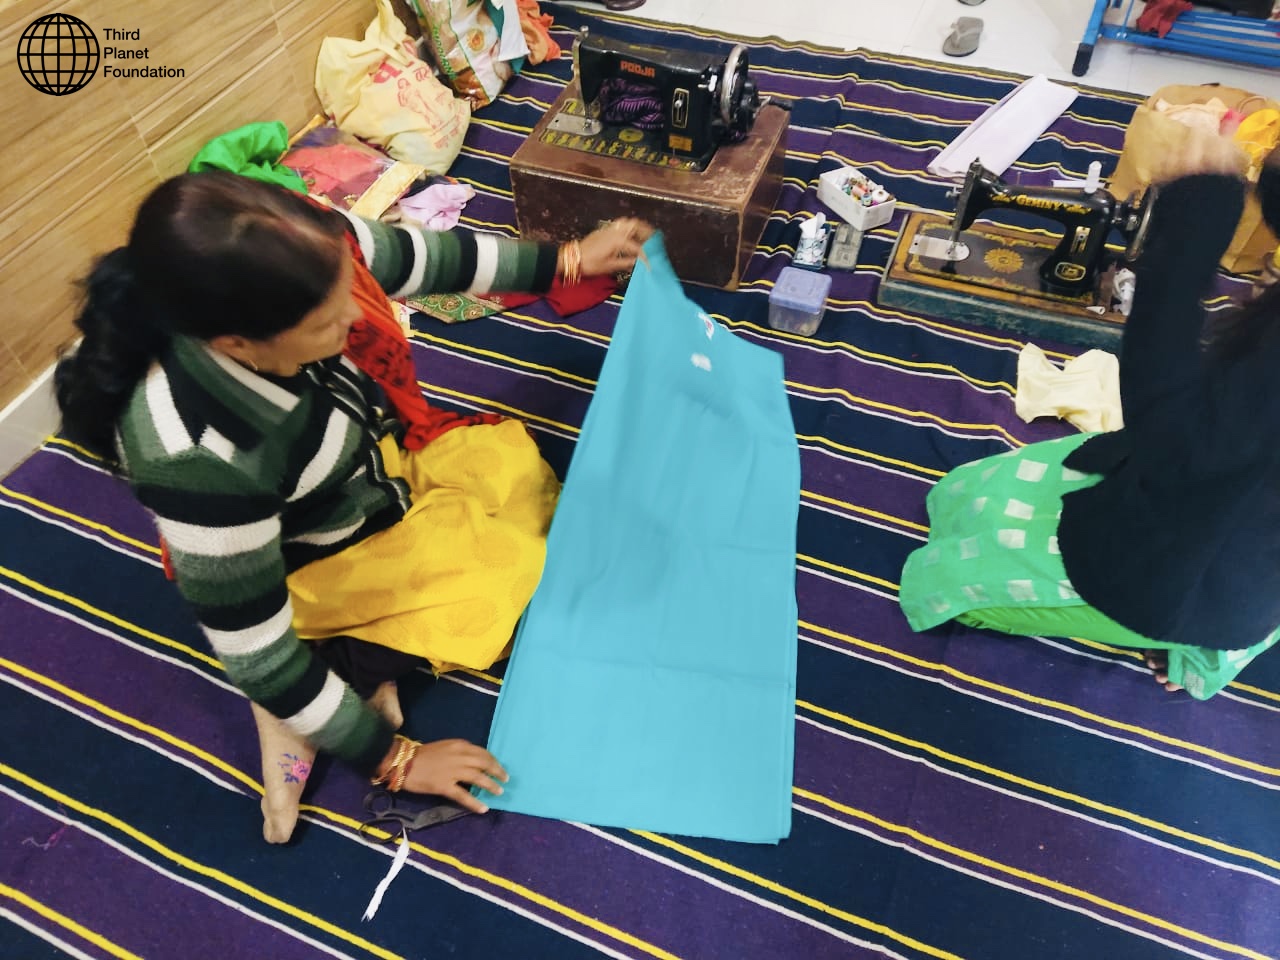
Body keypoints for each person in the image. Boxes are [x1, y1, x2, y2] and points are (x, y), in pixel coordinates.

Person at [55, 170, 651, 841]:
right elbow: (258, 654)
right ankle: (326, 681)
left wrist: (564, 261)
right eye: (325, 322)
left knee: (508, 468)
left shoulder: (300, 251)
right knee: (507, 587)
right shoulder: (200, 463)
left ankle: (340, 684)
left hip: (368, 470)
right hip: (311, 561)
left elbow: (411, 257)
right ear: (237, 346)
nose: (360, 317)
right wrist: (395, 759)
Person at [899, 133, 1280, 700]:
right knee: (965, 491)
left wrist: (1194, 221)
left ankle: (1200, 646)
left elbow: (1171, 442)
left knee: (944, 581)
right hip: (1224, 505)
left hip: (1204, 573)